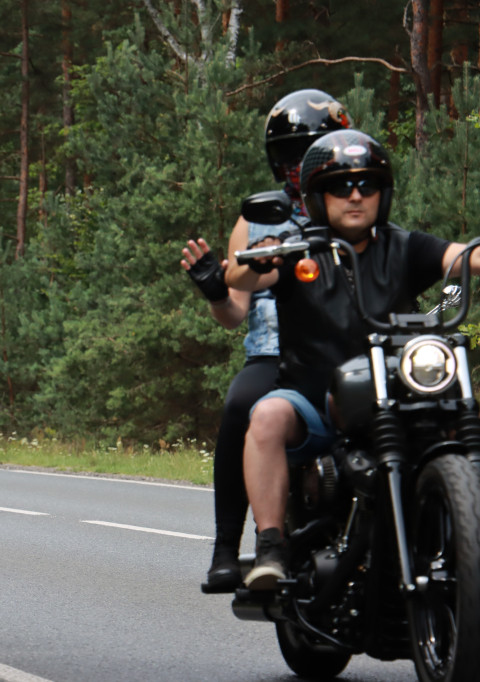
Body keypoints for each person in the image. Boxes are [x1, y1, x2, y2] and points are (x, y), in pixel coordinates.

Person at [226, 128, 480, 590]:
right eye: (341, 186)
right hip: (316, 401)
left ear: (383, 193)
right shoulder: (295, 248)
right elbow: (241, 279)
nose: (356, 195)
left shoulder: (404, 246)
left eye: (368, 184)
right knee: (265, 415)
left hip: (396, 395)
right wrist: (256, 262)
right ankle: (271, 547)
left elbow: (462, 260)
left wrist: (449, 293)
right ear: (319, 196)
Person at [180, 89, 351, 593]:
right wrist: (215, 290)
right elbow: (235, 312)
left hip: (345, 350)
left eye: (312, 150)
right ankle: (226, 549)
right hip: (272, 355)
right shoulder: (256, 219)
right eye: (289, 155)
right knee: (239, 407)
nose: (300, 165)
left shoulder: (353, 205)